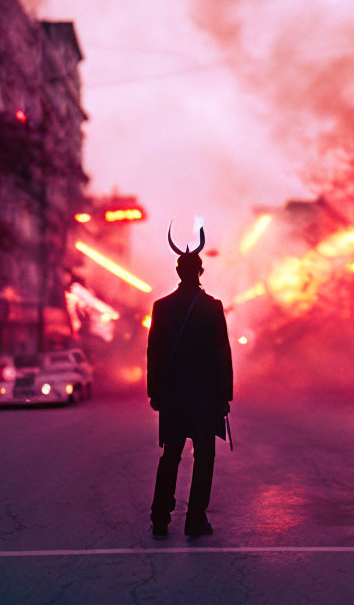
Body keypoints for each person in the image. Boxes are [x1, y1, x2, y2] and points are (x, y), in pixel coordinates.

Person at [147, 225, 233, 539]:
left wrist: (154, 392)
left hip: (172, 398)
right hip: (204, 398)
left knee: (170, 455)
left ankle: (160, 518)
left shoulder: (161, 307)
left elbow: (153, 353)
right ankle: (195, 520)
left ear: (177, 271)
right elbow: (222, 353)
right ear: (200, 270)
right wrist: (225, 397)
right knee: (204, 457)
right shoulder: (212, 307)